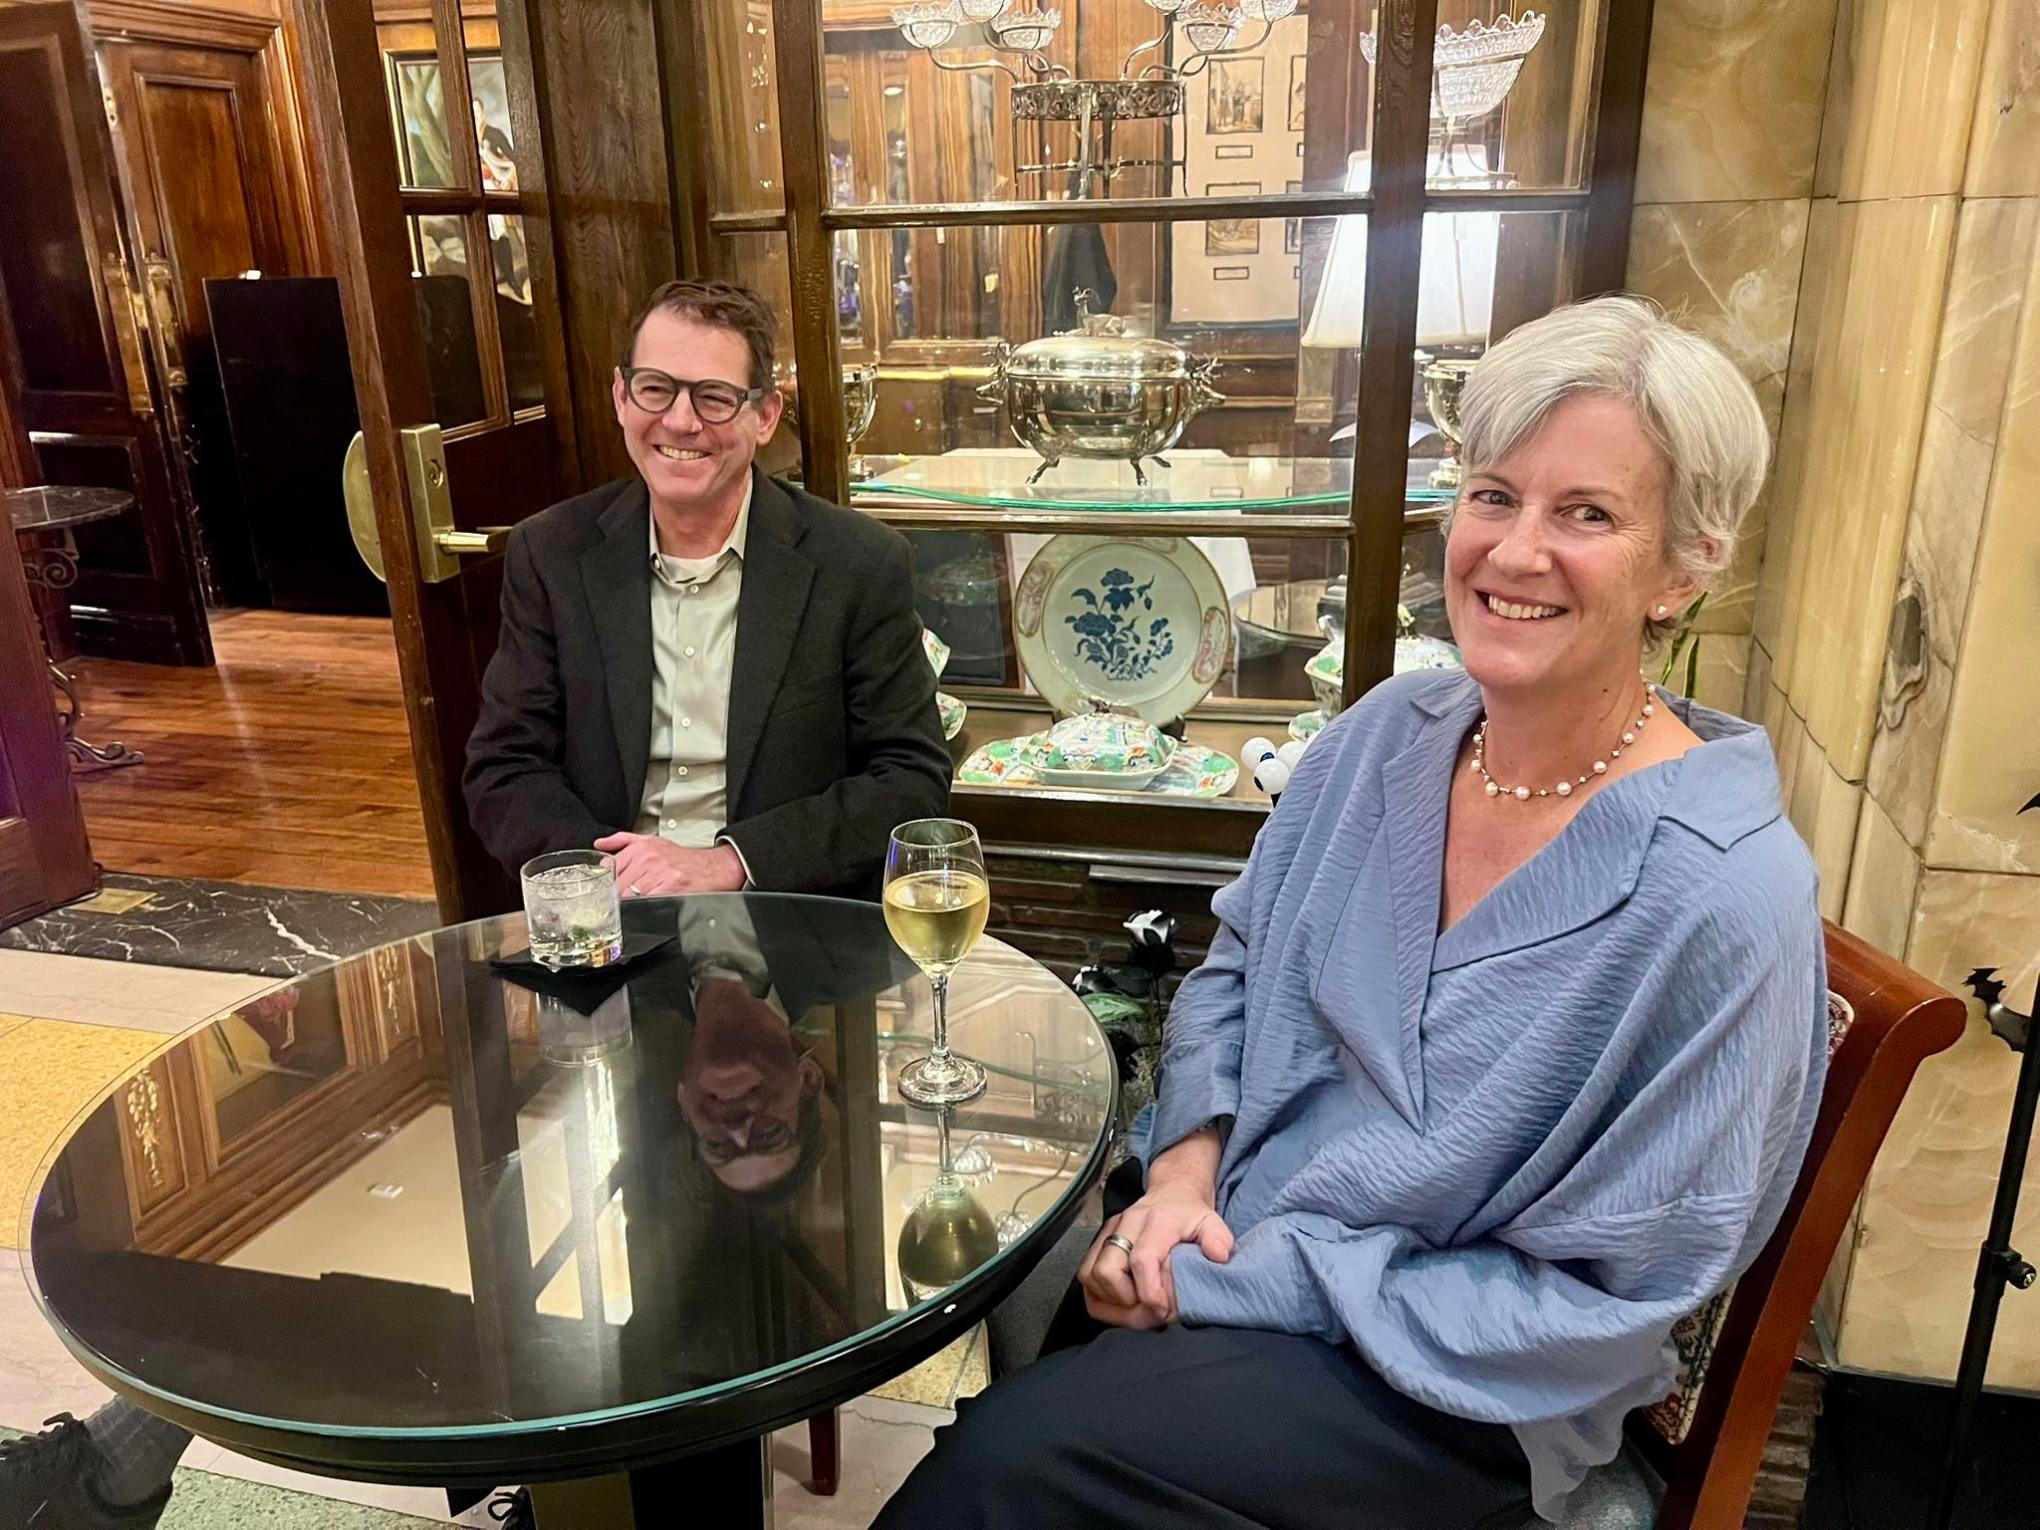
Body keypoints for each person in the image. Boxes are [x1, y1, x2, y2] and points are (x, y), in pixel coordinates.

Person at [878, 295, 1830, 1528]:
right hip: (1231, 1240)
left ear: (1687, 563)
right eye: (1493, 494)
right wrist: (1182, 1173)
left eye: (1586, 513)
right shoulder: (1385, 735)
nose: (1513, 550)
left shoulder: (1725, 893)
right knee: (1018, 1405)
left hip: (1455, 1378)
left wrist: (1237, 1281)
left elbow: (1615, 1298)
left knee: (1005, 1475)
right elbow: (1236, 965)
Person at [464, 278, 951, 900]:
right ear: (621, 396)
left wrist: (729, 864)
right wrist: (607, 876)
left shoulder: (857, 563)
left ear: (766, 415)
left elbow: (910, 779)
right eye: (655, 388)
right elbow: (504, 767)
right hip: (601, 912)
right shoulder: (551, 554)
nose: (680, 420)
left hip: (783, 921)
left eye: (715, 397)